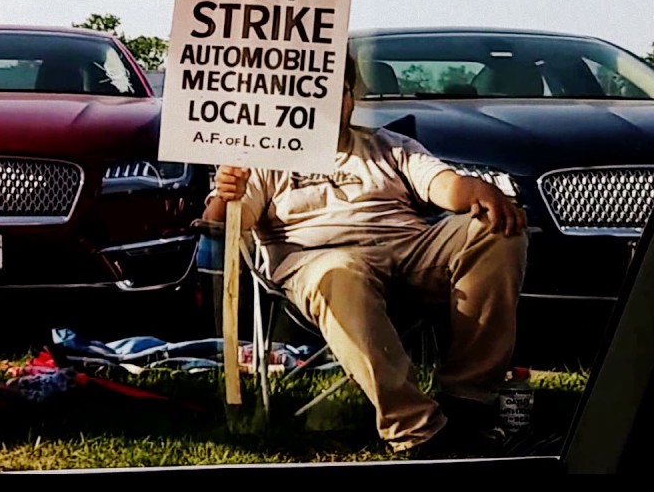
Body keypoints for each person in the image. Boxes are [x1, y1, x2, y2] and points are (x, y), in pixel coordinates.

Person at [202, 55, 528, 458]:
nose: (323, 101)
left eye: (334, 91)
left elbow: (443, 185)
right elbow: (223, 223)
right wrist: (225, 194)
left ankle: (470, 400)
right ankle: (418, 431)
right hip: (318, 259)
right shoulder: (267, 157)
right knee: (341, 271)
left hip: (410, 250)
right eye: (311, 91)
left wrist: (475, 189)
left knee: (496, 230)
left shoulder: (388, 146)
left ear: (349, 98)